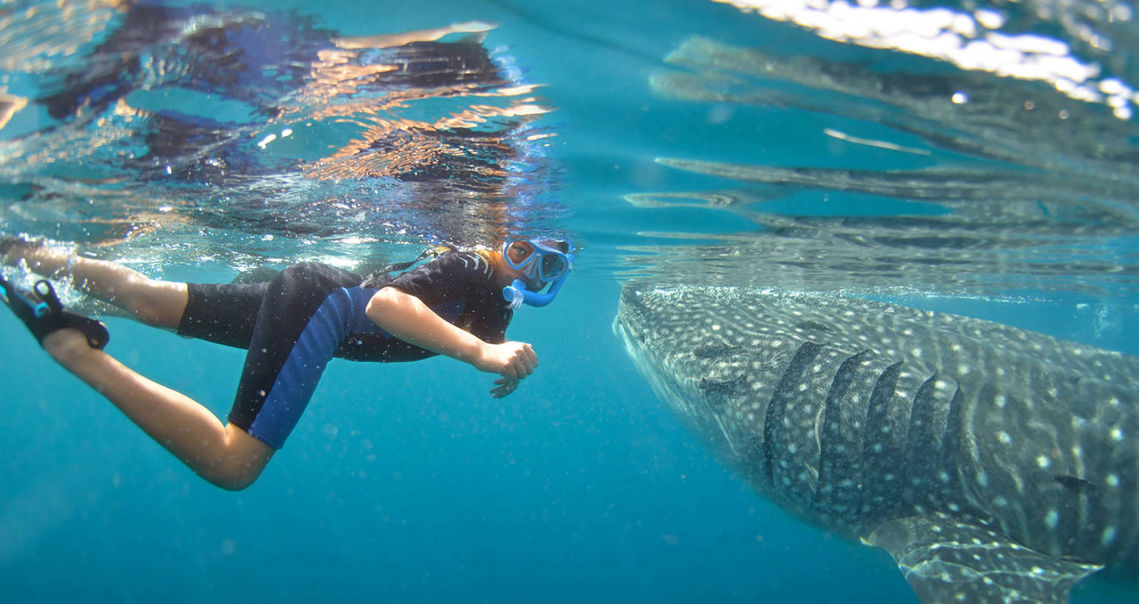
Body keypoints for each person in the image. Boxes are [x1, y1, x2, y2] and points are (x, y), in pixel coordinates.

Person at [0, 238, 573, 490]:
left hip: (311, 296)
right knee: (232, 465)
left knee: (150, 301)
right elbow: (385, 304)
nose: (528, 273)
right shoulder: (472, 265)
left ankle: (16, 255)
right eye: (525, 255)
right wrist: (480, 353)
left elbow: (488, 335)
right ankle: (67, 346)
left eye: (546, 269)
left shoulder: (496, 299)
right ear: (505, 243)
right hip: (321, 307)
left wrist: (500, 361)